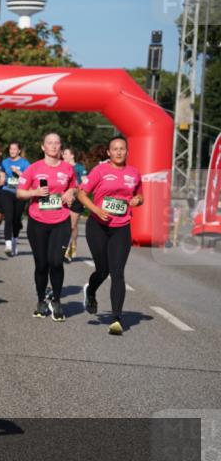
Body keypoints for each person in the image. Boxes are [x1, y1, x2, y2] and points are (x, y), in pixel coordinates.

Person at [77, 137, 143, 335]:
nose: (119, 152)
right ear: (108, 152)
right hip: (97, 226)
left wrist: (137, 200)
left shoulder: (134, 173)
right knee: (103, 270)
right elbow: (81, 193)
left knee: (117, 272)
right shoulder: (100, 171)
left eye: (122, 149)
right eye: (115, 149)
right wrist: (95, 210)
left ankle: (116, 318)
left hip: (121, 227)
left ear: (127, 152)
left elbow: (140, 196)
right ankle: (90, 290)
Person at [17, 132, 77, 322]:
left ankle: (57, 301)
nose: (53, 146)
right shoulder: (33, 168)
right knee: (41, 264)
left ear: (60, 147)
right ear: (43, 147)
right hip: (38, 222)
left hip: (61, 221)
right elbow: (19, 193)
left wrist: (70, 191)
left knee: (56, 262)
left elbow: (76, 188)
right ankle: (41, 300)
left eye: (56, 143)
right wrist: (34, 191)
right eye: (49, 143)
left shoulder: (68, 169)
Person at [0, 141, 30, 256]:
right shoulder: (5, 162)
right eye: (10, 149)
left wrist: (18, 172)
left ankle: (14, 241)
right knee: (9, 217)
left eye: (14, 149)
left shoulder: (25, 163)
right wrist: (1, 179)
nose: (12, 151)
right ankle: (7, 244)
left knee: (16, 220)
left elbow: (28, 178)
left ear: (19, 150)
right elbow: (2, 174)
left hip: (20, 193)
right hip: (7, 191)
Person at [62, 145, 88, 262]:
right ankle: (63, 248)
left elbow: (86, 183)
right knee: (63, 225)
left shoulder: (79, 168)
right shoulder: (61, 167)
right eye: (63, 154)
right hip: (63, 199)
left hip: (76, 199)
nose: (64, 156)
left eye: (66, 153)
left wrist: (78, 192)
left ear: (72, 155)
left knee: (72, 226)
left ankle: (71, 248)